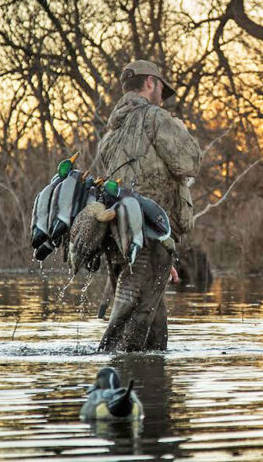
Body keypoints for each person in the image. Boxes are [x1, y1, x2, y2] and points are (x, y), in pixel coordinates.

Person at [94, 60, 201, 352]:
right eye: (161, 88)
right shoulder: (157, 118)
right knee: (135, 324)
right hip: (150, 238)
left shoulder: (110, 135)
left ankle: (148, 391)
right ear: (151, 82)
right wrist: (180, 129)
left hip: (120, 241)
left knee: (153, 328)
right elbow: (189, 163)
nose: (163, 97)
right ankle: (120, 381)